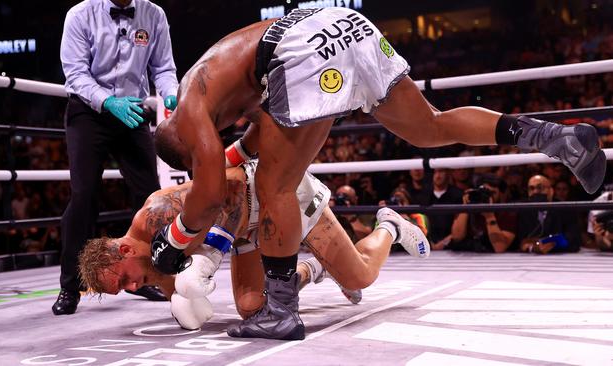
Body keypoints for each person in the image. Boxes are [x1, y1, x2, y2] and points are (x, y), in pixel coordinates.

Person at [156, 7, 605, 339]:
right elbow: (251, 145)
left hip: (299, 50)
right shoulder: (225, 90)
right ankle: (550, 136)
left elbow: (211, 189)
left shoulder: (189, 103)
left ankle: (280, 311)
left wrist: (174, 240)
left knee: (276, 186)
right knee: (430, 124)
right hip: (343, 25)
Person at [79, 135, 429, 333]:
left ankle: (389, 226)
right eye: (123, 290)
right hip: (245, 232)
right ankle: (313, 269)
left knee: (361, 275)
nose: (133, 289)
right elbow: (187, 300)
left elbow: (230, 186)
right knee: (253, 309)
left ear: (124, 250)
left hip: (267, 192)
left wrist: (212, 253)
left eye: (124, 281)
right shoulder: (149, 269)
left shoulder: (158, 214)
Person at [56, 0, 179, 315]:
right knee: (84, 195)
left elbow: (163, 68)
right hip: (88, 110)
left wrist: (172, 94)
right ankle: (70, 286)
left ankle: (149, 275)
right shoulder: (80, 14)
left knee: (151, 195)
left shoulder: (154, 14)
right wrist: (108, 101)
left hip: (134, 109)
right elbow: (75, 73)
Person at [448, 174, 517, 253]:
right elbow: (457, 237)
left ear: (501, 195)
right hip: (468, 256)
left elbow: (499, 247)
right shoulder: (469, 208)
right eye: (484, 192)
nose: (487, 196)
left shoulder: (507, 213)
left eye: (492, 193)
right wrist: (466, 208)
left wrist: (489, 216)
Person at [518, 175, 581, 253]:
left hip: (561, 258)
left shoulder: (565, 209)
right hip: (530, 259)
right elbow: (521, 241)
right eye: (531, 188)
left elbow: (574, 239)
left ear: (551, 191)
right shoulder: (524, 210)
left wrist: (553, 244)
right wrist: (532, 247)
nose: (535, 191)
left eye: (540, 187)